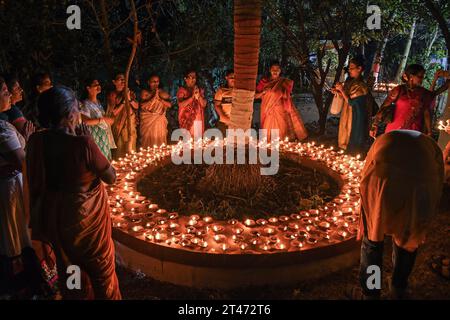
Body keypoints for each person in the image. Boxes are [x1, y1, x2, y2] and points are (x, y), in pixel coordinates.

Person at [27, 86, 121, 300]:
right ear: (70, 114)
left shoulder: (37, 142)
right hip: (86, 222)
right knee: (101, 274)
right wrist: (90, 143)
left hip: (58, 220)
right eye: (78, 108)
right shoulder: (83, 144)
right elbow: (111, 177)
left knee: (71, 270)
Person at [354, 130, 444, 299]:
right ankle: (398, 286)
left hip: (383, 180)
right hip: (422, 185)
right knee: (408, 239)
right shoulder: (431, 147)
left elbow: (366, 173)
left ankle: (371, 292)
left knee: (373, 243)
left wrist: (370, 211)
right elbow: (440, 178)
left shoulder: (383, 140)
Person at [0, 77, 44, 297]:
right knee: (12, 235)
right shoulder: (2, 127)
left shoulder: (5, 121)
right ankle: (18, 285)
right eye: (6, 91)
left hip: (14, 184)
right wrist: (26, 137)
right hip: (8, 189)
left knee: (18, 232)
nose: (9, 95)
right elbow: (21, 159)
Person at [371, 65, 450, 138]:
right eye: (420, 76)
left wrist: (429, 132)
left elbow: (426, 112)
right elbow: (384, 107)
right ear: (411, 76)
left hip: (414, 133)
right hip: (394, 131)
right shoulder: (399, 90)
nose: (422, 79)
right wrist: (374, 125)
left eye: (423, 77)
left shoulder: (424, 93)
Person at [255, 61, 308, 141]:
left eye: (277, 69)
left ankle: (282, 143)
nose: (275, 71)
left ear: (280, 71)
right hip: (267, 110)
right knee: (268, 132)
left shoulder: (284, 82)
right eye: (273, 69)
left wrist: (280, 93)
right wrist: (264, 92)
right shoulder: (264, 82)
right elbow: (255, 96)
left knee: (282, 129)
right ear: (270, 70)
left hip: (280, 109)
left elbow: (288, 96)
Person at [333, 57, 375, 155]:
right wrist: (338, 92)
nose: (349, 70)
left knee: (353, 132)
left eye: (352, 68)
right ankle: (346, 149)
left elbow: (352, 102)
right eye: (349, 68)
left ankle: (353, 153)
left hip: (355, 114)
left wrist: (342, 90)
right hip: (348, 111)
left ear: (359, 69)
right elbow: (347, 96)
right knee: (346, 130)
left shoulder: (360, 85)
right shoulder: (351, 81)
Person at [80, 78, 116, 160]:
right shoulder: (85, 104)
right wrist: (102, 120)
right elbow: (85, 121)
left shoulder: (98, 102)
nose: (98, 86)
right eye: (95, 85)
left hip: (103, 136)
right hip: (94, 137)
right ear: (88, 88)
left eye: (98, 84)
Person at [106, 73, 138, 159]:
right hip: (118, 125)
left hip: (130, 124)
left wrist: (129, 99)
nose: (123, 81)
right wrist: (124, 101)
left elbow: (136, 106)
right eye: (120, 79)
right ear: (114, 82)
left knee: (131, 146)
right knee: (120, 147)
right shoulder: (112, 95)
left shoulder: (129, 92)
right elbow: (113, 112)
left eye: (124, 79)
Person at [139, 74, 171, 148]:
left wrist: (160, 99)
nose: (155, 83)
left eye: (157, 81)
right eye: (153, 81)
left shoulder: (162, 93)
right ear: (149, 82)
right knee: (147, 139)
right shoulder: (145, 93)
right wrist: (153, 98)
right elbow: (142, 106)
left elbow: (169, 105)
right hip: (148, 119)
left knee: (159, 138)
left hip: (159, 119)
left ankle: (159, 156)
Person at [177, 70, 207, 136]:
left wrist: (198, 96)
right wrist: (192, 97)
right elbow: (180, 105)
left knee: (197, 140)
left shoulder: (199, 90)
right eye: (191, 77)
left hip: (198, 117)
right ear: (185, 79)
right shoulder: (182, 90)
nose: (193, 79)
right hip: (186, 118)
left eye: (194, 77)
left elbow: (204, 104)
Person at [214, 70, 234, 136]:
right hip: (224, 122)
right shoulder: (221, 91)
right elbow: (217, 105)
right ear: (226, 78)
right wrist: (223, 117)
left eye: (235, 77)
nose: (233, 79)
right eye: (231, 77)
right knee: (223, 143)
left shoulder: (239, 91)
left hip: (237, 122)